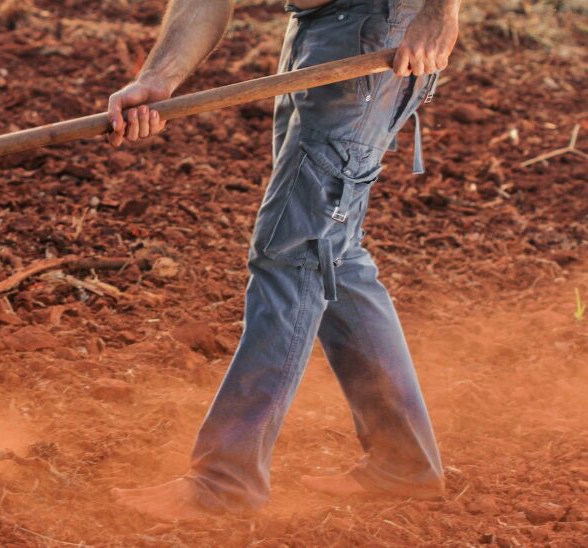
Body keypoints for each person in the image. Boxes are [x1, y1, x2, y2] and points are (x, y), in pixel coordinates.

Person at [107, 0, 460, 520]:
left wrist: (441, 10)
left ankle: (224, 482)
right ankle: (402, 460)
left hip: (377, 33)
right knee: (328, 251)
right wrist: (158, 78)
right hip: (321, 32)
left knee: (292, 254)